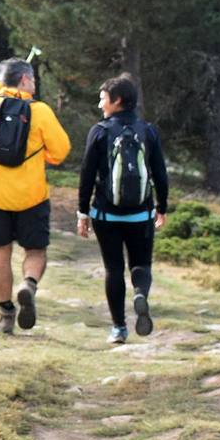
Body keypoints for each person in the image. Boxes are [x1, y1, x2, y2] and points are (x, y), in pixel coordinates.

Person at [0, 58, 71, 336]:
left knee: (0, 253)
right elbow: (61, 151)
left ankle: (5, 313)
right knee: (35, 251)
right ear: (26, 80)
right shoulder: (39, 111)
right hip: (32, 196)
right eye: (32, 80)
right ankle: (28, 284)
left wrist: (3, 84)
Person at [76, 74, 170, 345]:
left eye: (103, 98)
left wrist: (83, 213)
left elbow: (86, 174)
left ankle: (119, 328)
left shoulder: (100, 131)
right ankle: (140, 292)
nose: (99, 104)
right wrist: (161, 208)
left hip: (106, 214)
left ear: (117, 101)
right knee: (141, 264)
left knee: (113, 269)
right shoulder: (148, 131)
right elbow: (161, 174)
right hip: (141, 214)